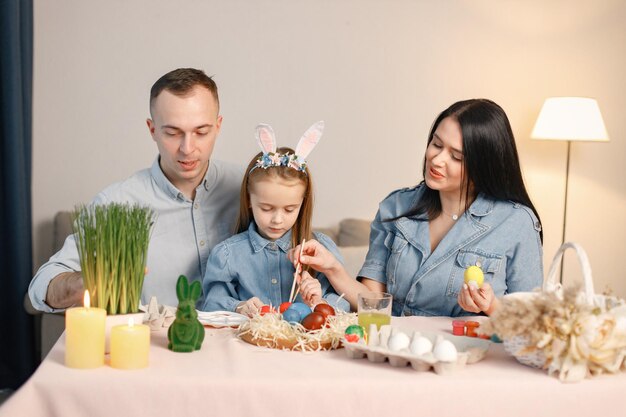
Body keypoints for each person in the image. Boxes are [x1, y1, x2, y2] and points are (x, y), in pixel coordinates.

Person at [292, 99, 543, 317]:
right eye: (436, 144)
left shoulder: (517, 222)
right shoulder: (397, 206)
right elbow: (373, 304)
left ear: (483, 167)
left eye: (456, 157)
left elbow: (532, 326)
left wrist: (490, 307)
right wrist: (332, 267)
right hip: (396, 354)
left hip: (469, 361)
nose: (437, 159)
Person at [29, 68, 243, 311]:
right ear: (152, 130)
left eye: (201, 132)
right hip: (156, 345)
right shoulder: (117, 203)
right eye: (172, 133)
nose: (187, 148)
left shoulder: (247, 188)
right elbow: (41, 287)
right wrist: (87, 282)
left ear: (218, 126)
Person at [202, 121, 350, 316]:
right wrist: (239, 307)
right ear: (249, 200)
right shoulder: (228, 255)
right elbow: (211, 304)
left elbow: (346, 301)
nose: (277, 219)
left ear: (302, 204)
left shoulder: (321, 250)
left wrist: (319, 304)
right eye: (266, 208)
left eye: (289, 209)